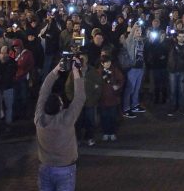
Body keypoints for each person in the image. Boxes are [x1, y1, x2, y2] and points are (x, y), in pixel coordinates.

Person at [35, 58, 85, 191]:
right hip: (65, 167)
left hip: (45, 166)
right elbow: (80, 97)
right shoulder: (66, 120)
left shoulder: (40, 119)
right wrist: (76, 71)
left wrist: (55, 71)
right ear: (61, 106)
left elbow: (43, 92)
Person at [167, 31, 184, 116]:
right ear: (177, 37)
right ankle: (172, 108)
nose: (181, 38)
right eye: (180, 36)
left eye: (183, 36)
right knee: (172, 91)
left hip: (182, 71)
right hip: (172, 71)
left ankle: (182, 108)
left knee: (182, 91)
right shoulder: (172, 45)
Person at [97, 55, 124, 141]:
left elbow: (121, 79)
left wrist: (118, 86)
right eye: (106, 62)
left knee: (113, 116)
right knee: (104, 117)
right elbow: (95, 82)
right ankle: (106, 132)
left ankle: (112, 132)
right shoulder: (98, 72)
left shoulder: (115, 70)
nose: (108, 63)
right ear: (102, 63)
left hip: (113, 98)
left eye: (109, 62)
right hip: (103, 99)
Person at [122, 23, 147, 118]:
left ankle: (135, 105)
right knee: (130, 89)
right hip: (132, 68)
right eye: (137, 31)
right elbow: (130, 36)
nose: (139, 32)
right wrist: (134, 27)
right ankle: (126, 108)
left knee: (137, 88)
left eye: (140, 31)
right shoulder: (130, 42)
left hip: (140, 68)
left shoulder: (141, 41)